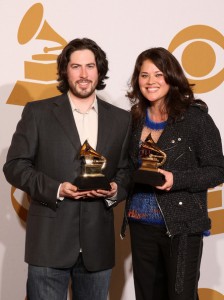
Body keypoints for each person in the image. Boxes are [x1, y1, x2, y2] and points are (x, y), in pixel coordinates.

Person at [3, 38, 131, 300]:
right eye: (76, 66)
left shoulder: (122, 119)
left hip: (98, 246)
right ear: (65, 70)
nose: (83, 75)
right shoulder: (38, 113)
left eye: (90, 66)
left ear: (99, 70)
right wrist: (56, 189)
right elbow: (15, 166)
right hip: (49, 243)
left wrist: (116, 189)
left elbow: (126, 170)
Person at [121, 47, 224, 300]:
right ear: (137, 80)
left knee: (180, 296)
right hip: (140, 223)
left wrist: (176, 180)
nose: (151, 82)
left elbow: (217, 170)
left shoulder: (195, 119)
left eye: (158, 74)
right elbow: (128, 167)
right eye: (144, 75)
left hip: (181, 226)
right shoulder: (133, 119)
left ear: (171, 76)